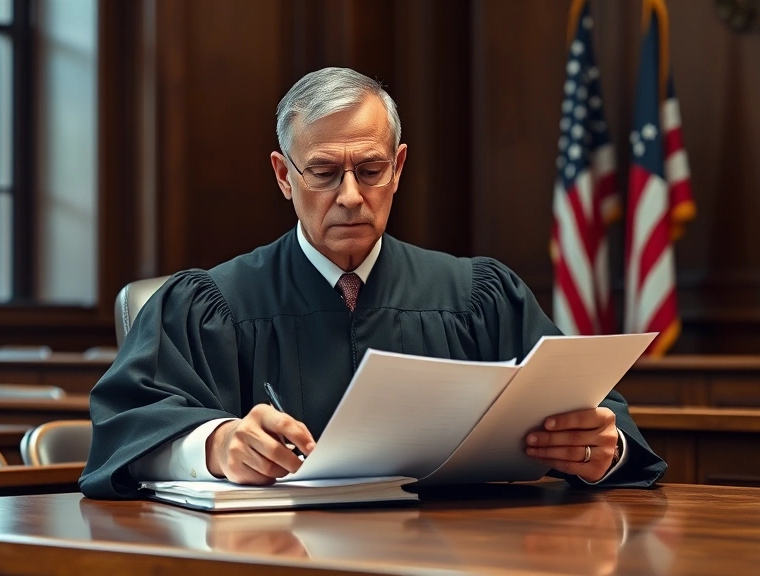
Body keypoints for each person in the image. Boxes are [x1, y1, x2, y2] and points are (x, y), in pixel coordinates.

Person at [81, 67, 666, 499]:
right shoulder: (212, 306)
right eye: (324, 173)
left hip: (468, 555)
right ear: (284, 175)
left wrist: (598, 450)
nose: (352, 196)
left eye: (370, 170)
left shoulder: (479, 297)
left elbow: (603, 420)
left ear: (400, 167)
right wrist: (212, 444)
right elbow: (124, 429)